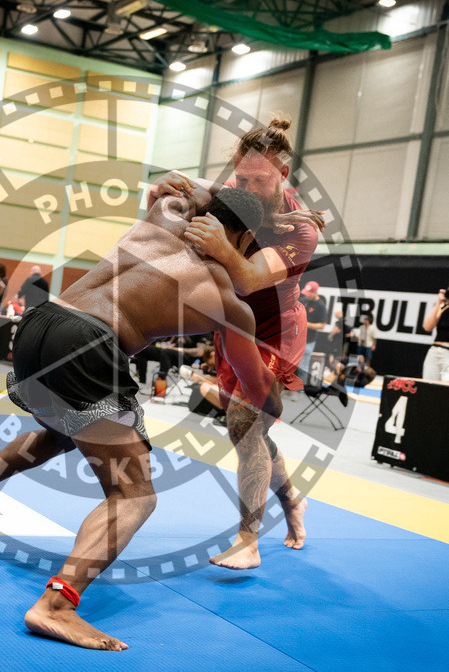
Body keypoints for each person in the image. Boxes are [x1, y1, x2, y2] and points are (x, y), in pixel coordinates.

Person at [0, 187, 278, 651]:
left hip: (41, 324)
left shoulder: (166, 214)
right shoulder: (228, 301)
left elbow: (180, 184)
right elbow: (257, 393)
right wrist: (277, 387)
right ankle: (57, 605)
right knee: (134, 495)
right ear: (243, 241)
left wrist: (219, 198)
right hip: (87, 343)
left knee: (59, 431)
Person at [155, 115, 326, 568]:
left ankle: (248, 540)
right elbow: (163, 190)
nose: (247, 187)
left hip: (275, 333)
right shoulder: (231, 193)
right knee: (246, 432)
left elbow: (248, 279)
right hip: (233, 328)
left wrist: (222, 246)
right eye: (241, 177)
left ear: (283, 175)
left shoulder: (303, 229)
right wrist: (162, 187)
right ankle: (292, 499)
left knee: (244, 424)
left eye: (260, 180)